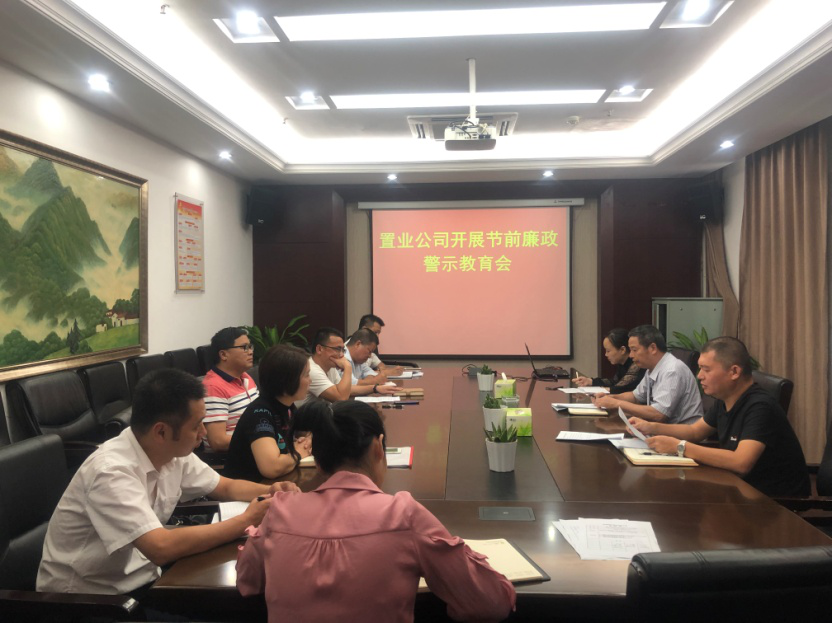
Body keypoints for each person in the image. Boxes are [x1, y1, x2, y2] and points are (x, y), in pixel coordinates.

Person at [236, 400, 516, 622]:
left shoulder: (280, 510)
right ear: (377, 447)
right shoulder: (403, 515)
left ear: (317, 460)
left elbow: (247, 582)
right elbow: (491, 602)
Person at [37, 368, 298, 596]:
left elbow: (224, 486)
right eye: (197, 426)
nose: (203, 433)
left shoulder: (170, 451)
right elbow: (160, 547)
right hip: (91, 600)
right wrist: (246, 520)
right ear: (161, 431)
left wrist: (272, 491)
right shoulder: (111, 471)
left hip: (146, 576)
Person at [628, 337, 810, 497]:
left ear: (734, 372)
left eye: (706, 369)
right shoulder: (725, 400)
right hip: (739, 490)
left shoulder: (760, 406)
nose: (699, 376)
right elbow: (694, 431)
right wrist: (651, 427)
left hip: (773, 503)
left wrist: (679, 447)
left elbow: (741, 462)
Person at [224, 344, 314, 481]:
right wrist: (298, 453)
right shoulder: (259, 414)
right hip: (250, 489)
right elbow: (271, 467)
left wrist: (307, 440)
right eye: (306, 375)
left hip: (277, 484)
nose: (310, 381)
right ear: (287, 380)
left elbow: (306, 433)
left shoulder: (287, 406)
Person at [592, 324, 702, 424]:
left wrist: (616, 403)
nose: (630, 355)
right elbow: (635, 397)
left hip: (680, 436)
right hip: (659, 431)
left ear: (652, 348)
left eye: (634, 350)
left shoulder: (672, 370)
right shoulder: (652, 368)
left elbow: (659, 414)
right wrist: (610, 397)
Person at [296, 327, 399, 406]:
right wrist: (347, 367)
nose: (341, 355)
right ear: (319, 349)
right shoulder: (311, 370)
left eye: (342, 350)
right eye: (337, 349)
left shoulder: (330, 366)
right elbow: (341, 398)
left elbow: (347, 390)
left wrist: (375, 388)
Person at [202, 327, 259, 452]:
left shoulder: (245, 376)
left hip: (255, 448)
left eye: (250, 347)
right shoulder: (213, 387)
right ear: (223, 355)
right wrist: (262, 438)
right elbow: (218, 441)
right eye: (244, 347)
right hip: (229, 457)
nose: (250, 352)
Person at [574, 327, 645, 394]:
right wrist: (590, 381)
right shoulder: (622, 364)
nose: (606, 354)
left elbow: (623, 388)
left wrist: (603, 391)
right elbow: (615, 382)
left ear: (622, 350)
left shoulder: (637, 364)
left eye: (608, 351)